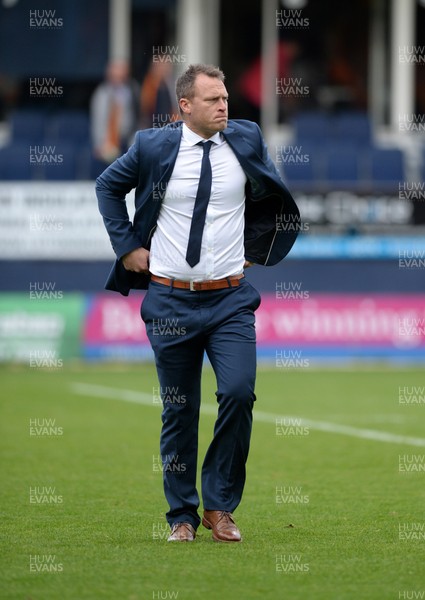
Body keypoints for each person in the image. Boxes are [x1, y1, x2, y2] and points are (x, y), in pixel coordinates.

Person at [96, 64, 299, 543]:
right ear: (185, 106)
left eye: (226, 97)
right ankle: (181, 516)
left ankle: (221, 507)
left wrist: (257, 248)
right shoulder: (152, 146)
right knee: (179, 410)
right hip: (170, 301)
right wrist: (126, 246)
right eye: (212, 99)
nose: (224, 105)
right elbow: (107, 186)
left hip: (230, 300)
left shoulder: (246, 139)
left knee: (238, 392)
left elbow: (270, 196)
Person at [90, 59, 140, 163]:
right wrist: (99, 144)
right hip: (108, 142)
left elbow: (136, 114)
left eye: (122, 71)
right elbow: (98, 120)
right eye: (116, 70)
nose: (119, 74)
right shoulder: (102, 93)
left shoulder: (132, 89)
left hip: (128, 140)